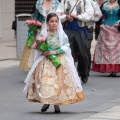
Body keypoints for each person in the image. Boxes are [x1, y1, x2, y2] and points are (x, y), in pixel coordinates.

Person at [23, 12, 84, 113]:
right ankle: (46, 102)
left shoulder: (61, 34)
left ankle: (57, 104)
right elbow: (38, 45)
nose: (54, 23)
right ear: (47, 22)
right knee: (45, 83)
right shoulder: (43, 34)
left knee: (58, 83)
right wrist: (42, 50)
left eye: (56, 21)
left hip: (59, 60)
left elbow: (66, 45)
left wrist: (55, 51)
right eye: (51, 21)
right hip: (46, 62)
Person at [56, 0, 94, 83]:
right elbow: (58, 14)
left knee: (83, 53)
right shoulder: (64, 1)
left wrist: (77, 17)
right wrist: (66, 17)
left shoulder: (85, 1)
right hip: (67, 30)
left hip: (81, 30)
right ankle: (70, 75)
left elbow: (89, 14)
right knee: (68, 53)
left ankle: (84, 73)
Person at [19, 0, 59, 71]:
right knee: (39, 50)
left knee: (52, 48)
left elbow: (59, 18)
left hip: (53, 30)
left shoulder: (56, 3)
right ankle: (38, 68)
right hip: (40, 30)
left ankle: (52, 66)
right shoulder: (39, 2)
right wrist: (35, 24)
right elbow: (36, 17)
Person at [92, 0, 120, 77]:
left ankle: (115, 69)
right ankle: (108, 68)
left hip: (117, 29)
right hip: (105, 29)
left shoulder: (119, 3)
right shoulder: (105, 4)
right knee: (106, 50)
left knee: (116, 51)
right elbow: (100, 15)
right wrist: (97, 18)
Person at [85, 0, 102, 74]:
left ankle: (86, 69)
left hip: (88, 27)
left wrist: (91, 17)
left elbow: (98, 15)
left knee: (86, 47)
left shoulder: (92, 3)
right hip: (75, 28)